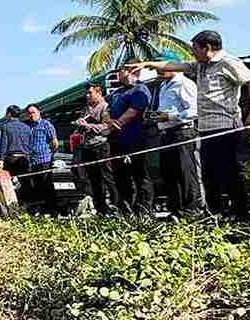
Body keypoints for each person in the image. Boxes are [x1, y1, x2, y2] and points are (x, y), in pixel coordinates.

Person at [130, 30, 250, 220]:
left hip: (226, 127)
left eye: (195, 49)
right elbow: (174, 65)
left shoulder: (229, 63)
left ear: (207, 48)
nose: (192, 54)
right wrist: (147, 64)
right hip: (206, 129)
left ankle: (241, 213)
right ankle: (214, 213)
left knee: (231, 172)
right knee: (209, 175)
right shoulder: (200, 66)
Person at [154, 66, 204, 217]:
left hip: (183, 131)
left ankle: (191, 209)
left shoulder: (184, 83)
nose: (158, 71)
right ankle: (176, 209)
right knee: (169, 172)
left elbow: (194, 110)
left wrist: (169, 117)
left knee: (185, 171)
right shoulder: (163, 85)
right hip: (166, 133)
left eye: (161, 67)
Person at [106, 66, 155, 216]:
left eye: (121, 70)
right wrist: (108, 121)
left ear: (132, 71)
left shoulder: (140, 89)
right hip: (117, 141)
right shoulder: (116, 93)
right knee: (121, 177)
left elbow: (134, 110)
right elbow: (106, 112)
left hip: (136, 139)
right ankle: (125, 210)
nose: (119, 74)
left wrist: (118, 123)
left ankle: (144, 210)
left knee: (141, 176)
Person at [72, 84, 116, 216]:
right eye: (86, 93)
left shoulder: (105, 106)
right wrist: (79, 124)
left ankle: (115, 205)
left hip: (101, 145)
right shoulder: (86, 109)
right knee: (93, 179)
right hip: (87, 146)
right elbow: (80, 129)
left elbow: (107, 126)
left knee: (107, 177)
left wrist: (89, 125)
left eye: (90, 93)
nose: (87, 96)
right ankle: (100, 209)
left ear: (99, 93)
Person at [20, 104, 59, 213]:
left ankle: (52, 210)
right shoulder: (27, 127)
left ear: (39, 112)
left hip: (44, 160)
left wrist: (49, 153)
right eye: (29, 113)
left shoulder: (46, 124)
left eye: (33, 112)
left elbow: (54, 143)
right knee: (36, 187)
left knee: (47, 185)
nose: (31, 115)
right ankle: (41, 210)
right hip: (32, 162)